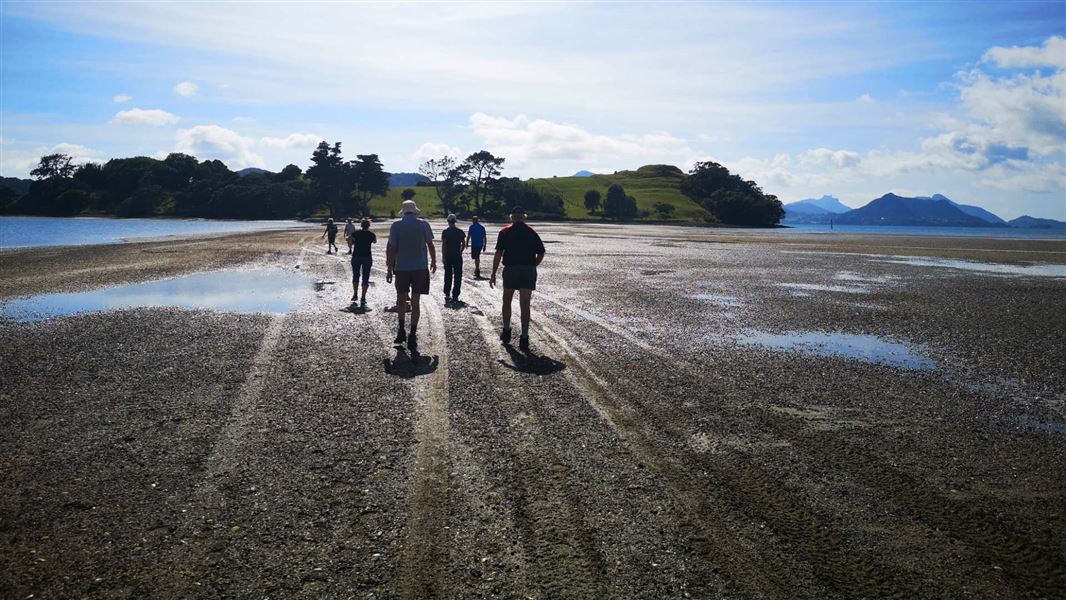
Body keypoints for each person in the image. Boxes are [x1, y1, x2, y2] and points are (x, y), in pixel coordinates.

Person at [490, 206, 545, 353]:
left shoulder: (505, 232)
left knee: (506, 300)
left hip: (511, 269)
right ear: (524, 217)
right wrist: (533, 266)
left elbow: (498, 253)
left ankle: (506, 330)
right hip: (527, 269)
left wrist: (493, 273)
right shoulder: (531, 232)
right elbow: (541, 253)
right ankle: (524, 337)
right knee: (525, 305)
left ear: (512, 217)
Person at [386, 199, 436, 352]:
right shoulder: (423, 224)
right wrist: (434, 261)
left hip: (402, 268)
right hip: (420, 267)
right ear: (415, 211)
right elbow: (430, 244)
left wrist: (389, 268)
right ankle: (413, 334)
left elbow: (392, 248)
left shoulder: (396, 226)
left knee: (401, 300)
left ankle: (401, 330)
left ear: (403, 212)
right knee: (415, 302)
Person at [441, 213, 467, 304]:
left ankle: (447, 292)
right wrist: (460, 251)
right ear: (455, 221)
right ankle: (455, 295)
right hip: (457, 256)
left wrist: (443, 257)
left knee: (448, 275)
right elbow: (464, 244)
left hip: (448, 256)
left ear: (448, 221)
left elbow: (444, 245)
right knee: (457, 276)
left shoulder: (445, 232)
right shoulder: (460, 232)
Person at [350, 218, 376, 306]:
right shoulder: (371, 234)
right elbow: (375, 241)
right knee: (366, 276)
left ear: (361, 225)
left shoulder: (356, 233)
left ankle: (355, 294)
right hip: (367, 256)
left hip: (356, 255)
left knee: (356, 275)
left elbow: (348, 239)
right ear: (369, 225)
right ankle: (363, 297)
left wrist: (353, 243)